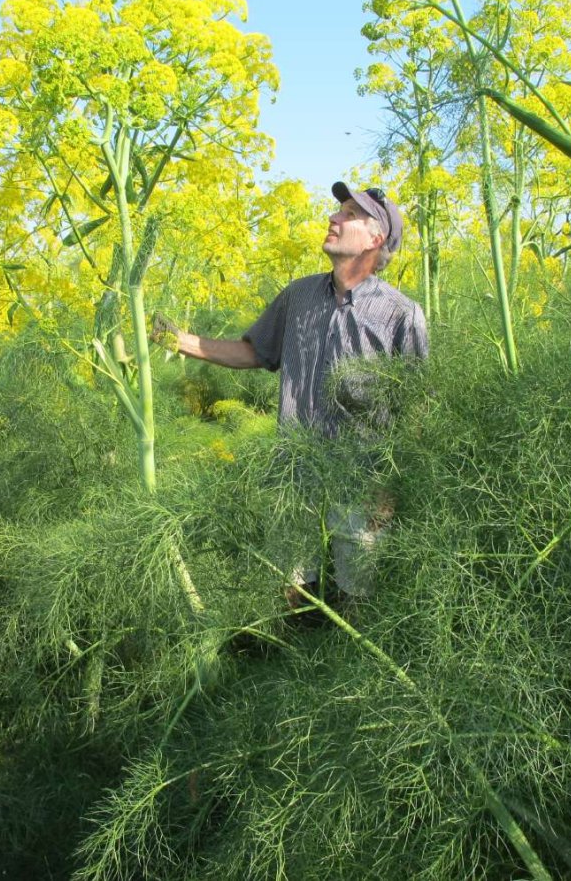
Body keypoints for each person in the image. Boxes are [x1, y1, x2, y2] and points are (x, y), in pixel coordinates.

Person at [152, 181, 428, 608]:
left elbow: (416, 411)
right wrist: (180, 341)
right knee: (291, 592)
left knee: (357, 599)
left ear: (376, 238)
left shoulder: (401, 314)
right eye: (338, 211)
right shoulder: (299, 296)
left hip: (362, 481)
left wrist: (389, 492)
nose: (334, 218)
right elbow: (254, 352)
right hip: (295, 475)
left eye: (350, 214)